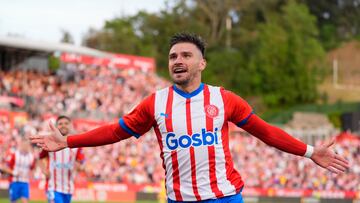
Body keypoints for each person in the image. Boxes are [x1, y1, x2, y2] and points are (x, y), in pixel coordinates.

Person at [30, 33, 349, 203]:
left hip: (223, 198)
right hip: (179, 201)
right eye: (172, 57)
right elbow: (117, 131)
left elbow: (265, 131)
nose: (177, 61)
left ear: (202, 64)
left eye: (185, 55)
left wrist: (309, 152)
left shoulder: (224, 99)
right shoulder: (155, 103)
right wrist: (69, 141)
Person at [38, 115, 85, 203]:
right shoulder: (50, 142)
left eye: (66, 123)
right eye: (60, 124)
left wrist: (79, 167)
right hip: (52, 186)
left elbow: (80, 162)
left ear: (70, 125)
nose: (63, 125)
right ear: (56, 127)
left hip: (68, 188)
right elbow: (39, 158)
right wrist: (44, 170)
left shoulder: (77, 144)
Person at [0, 138, 35, 203]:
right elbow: (4, 167)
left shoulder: (31, 156)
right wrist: (13, 172)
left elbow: (32, 168)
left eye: (27, 145)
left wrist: (31, 174)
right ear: (21, 145)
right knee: (13, 201)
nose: (26, 147)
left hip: (25, 182)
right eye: (24, 145)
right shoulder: (15, 155)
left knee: (25, 200)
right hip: (14, 181)